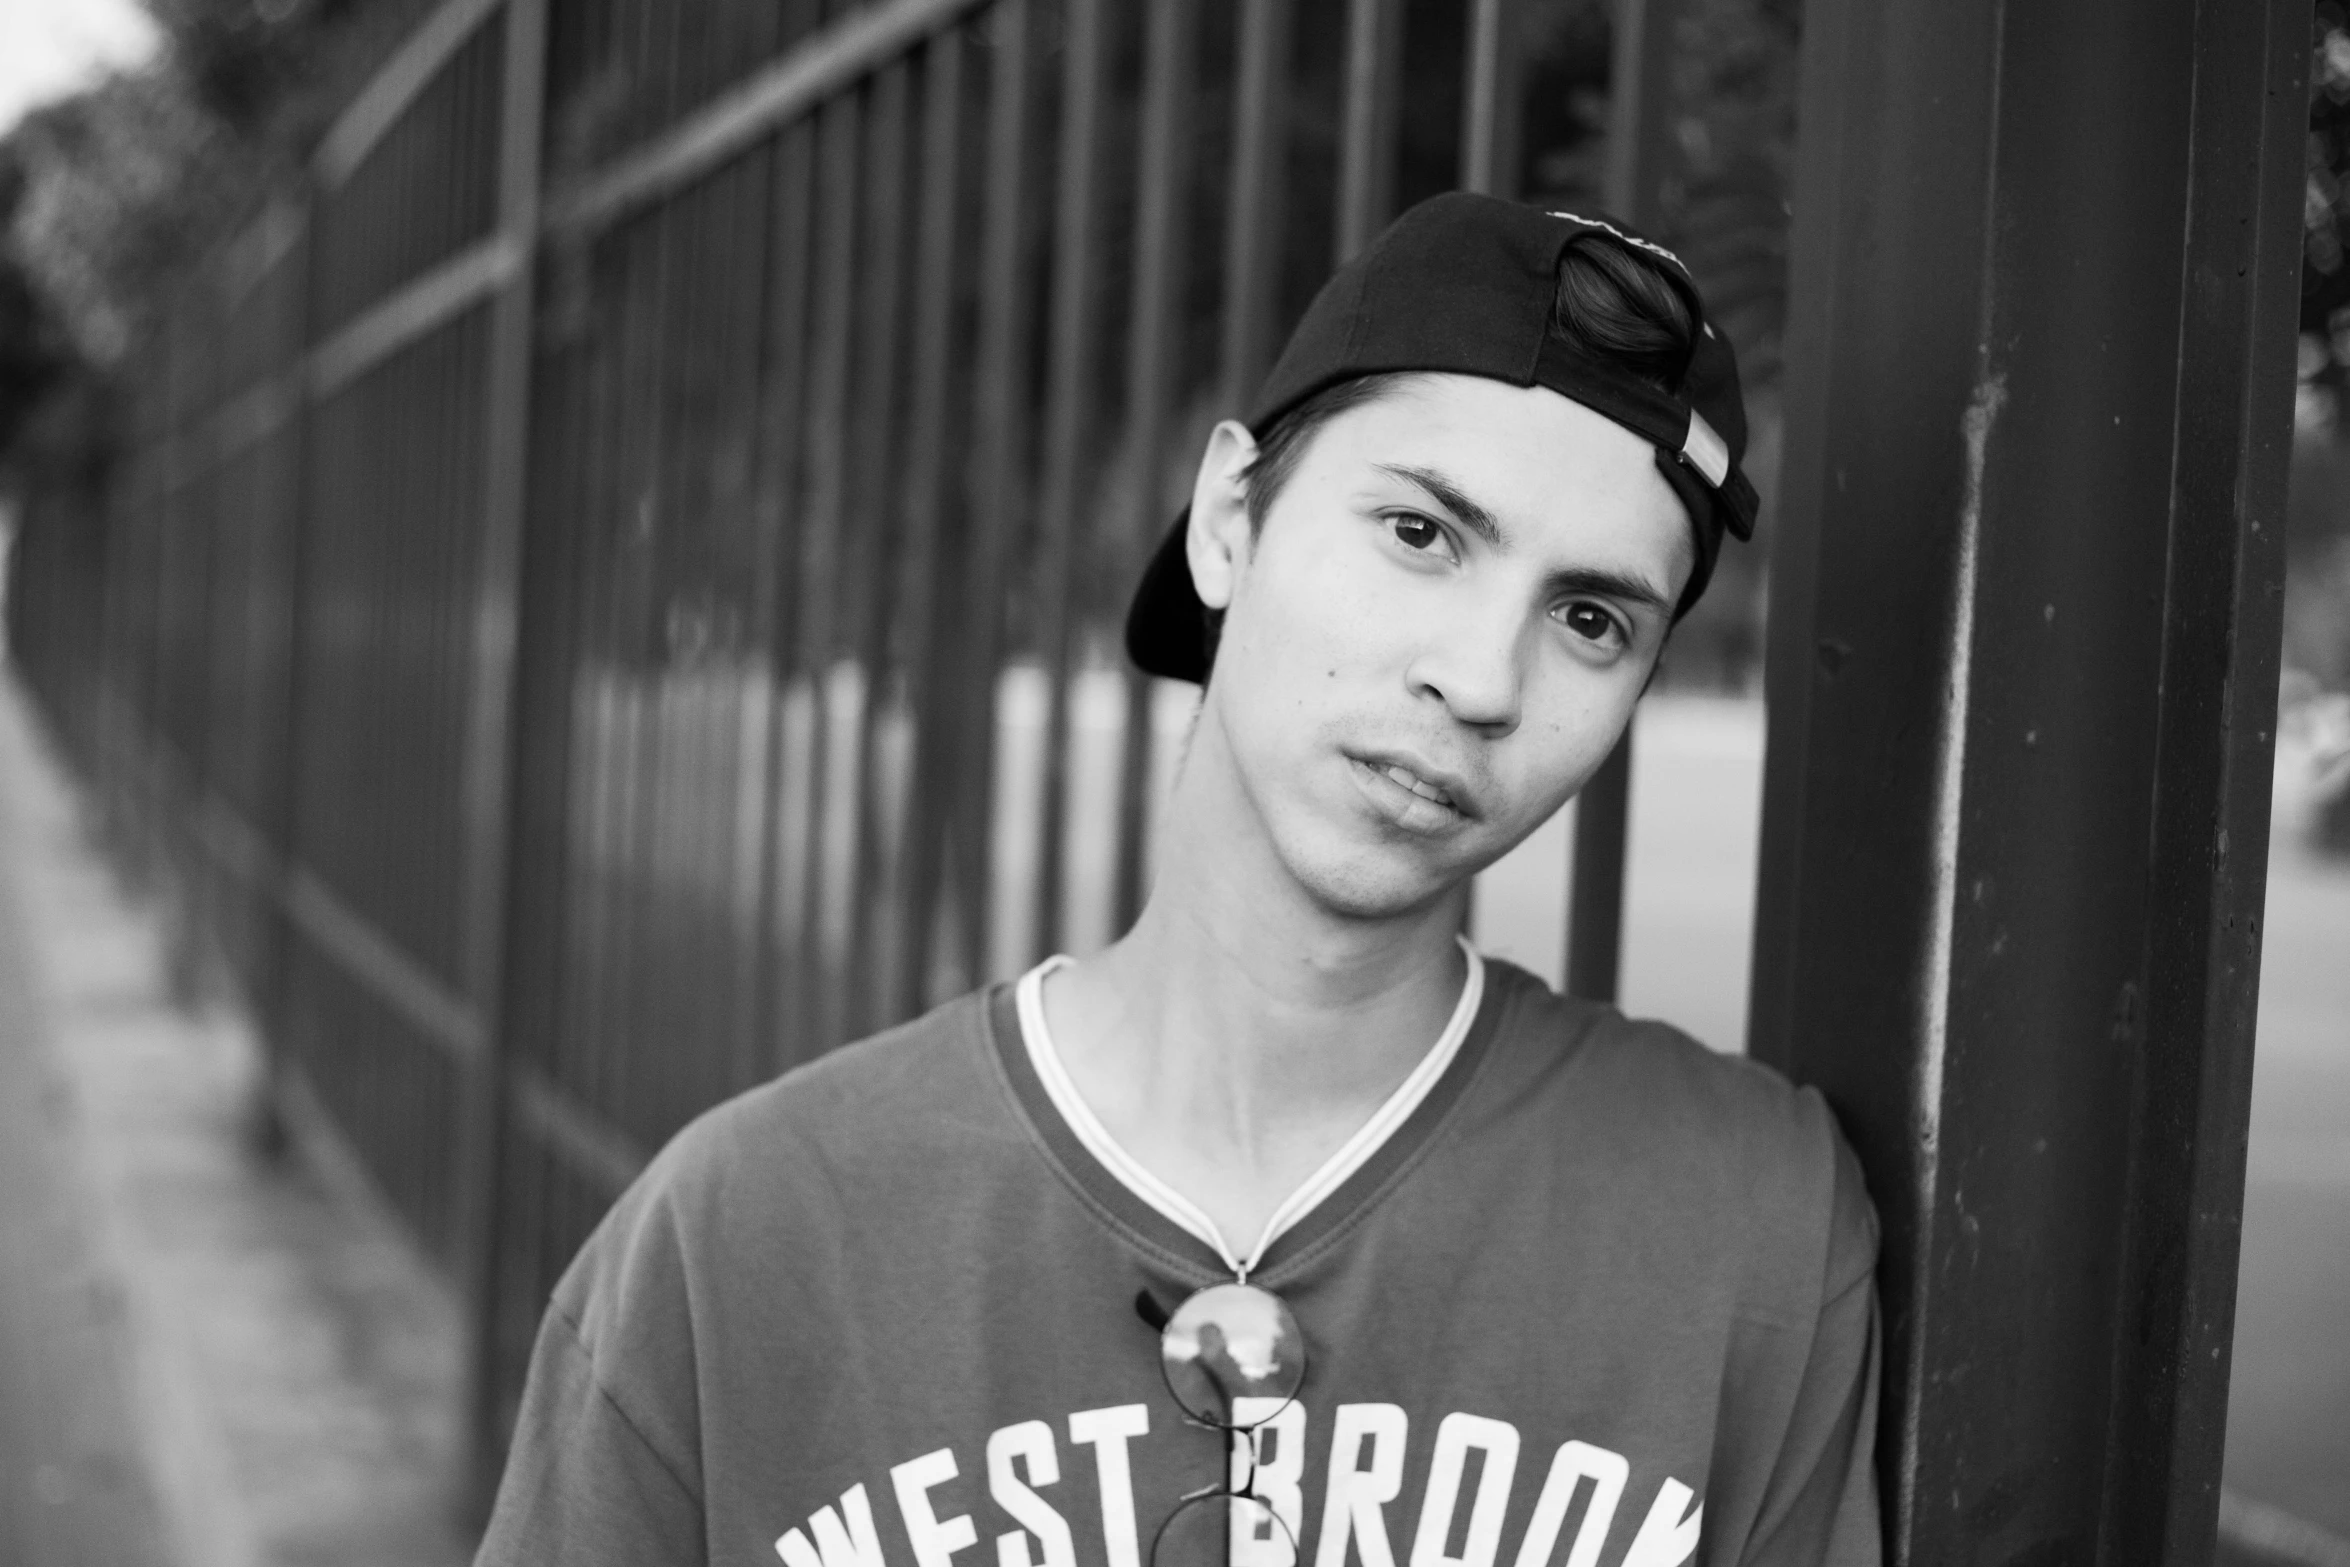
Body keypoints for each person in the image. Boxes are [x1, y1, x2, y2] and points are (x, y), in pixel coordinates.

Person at [475, 192, 1881, 1567]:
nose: (1479, 677)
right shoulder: (743, 1242)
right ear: (1227, 517)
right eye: (1418, 533)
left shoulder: (1752, 1231)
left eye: (1588, 618)